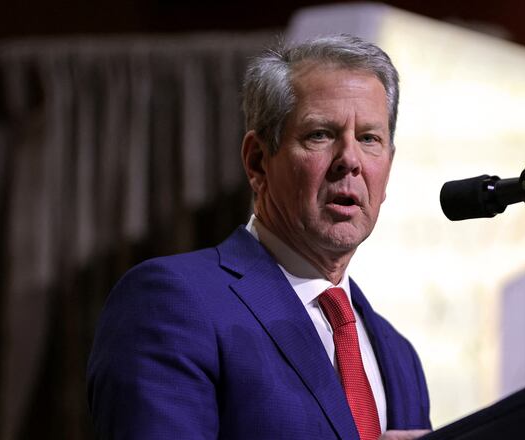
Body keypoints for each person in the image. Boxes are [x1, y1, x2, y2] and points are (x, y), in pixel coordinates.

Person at [87, 34, 432, 439]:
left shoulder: (399, 355)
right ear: (257, 162)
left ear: (388, 166)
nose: (350, 161)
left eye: (370, 138)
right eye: (320, 134)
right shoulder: (172, 304)